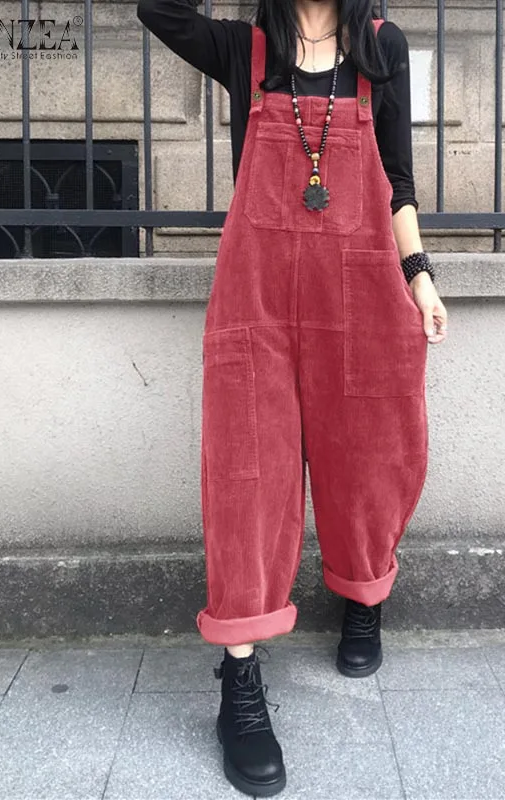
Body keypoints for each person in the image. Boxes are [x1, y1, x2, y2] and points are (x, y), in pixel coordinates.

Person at [137, 0, 448, 794]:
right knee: (246, 478)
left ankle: (363, 593)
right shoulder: (243, 50)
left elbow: (397, 182)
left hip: (362, 293)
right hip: (259, 305)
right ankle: (239, 683)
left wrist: (419, 278)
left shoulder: (381, 49)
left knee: (370, 458)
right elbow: (155, 10)